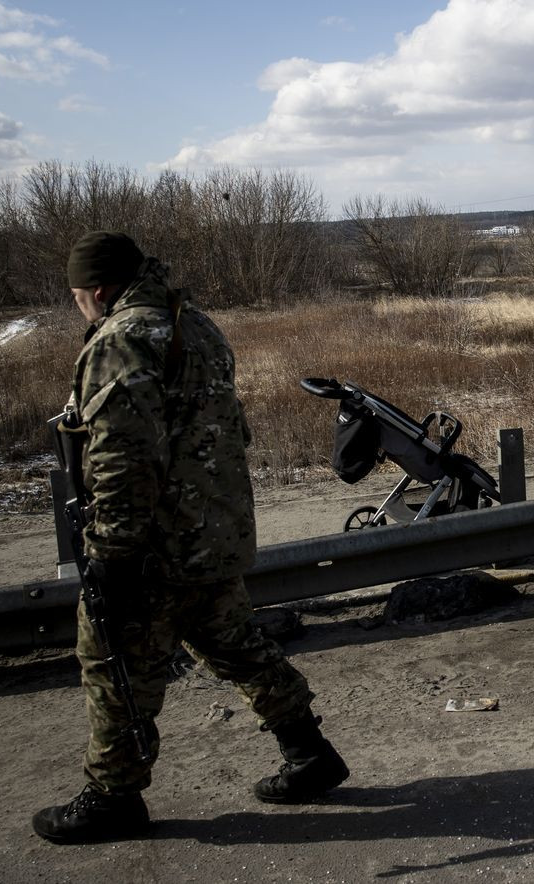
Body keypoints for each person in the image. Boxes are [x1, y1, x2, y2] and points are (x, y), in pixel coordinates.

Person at [33, 231, 349, 844]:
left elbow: (123, 457)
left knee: (114, 664)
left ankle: (113, 796)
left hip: (154, 546)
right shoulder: (194, 325)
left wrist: (114, 556)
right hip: (211, 533)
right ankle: (309, 752)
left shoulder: (121, 339)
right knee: (236, 646)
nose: (80, 306)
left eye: (78, 296)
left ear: (96, 289)